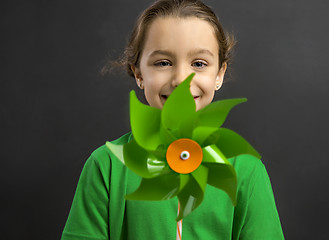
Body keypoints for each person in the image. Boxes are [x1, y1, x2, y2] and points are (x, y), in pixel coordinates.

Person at [61, 0, 284, 239]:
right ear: (138, 73)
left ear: (219, 74)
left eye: (199, 64)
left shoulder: (247, 172)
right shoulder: (106, 166)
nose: (181, 79)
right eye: (163, 63)